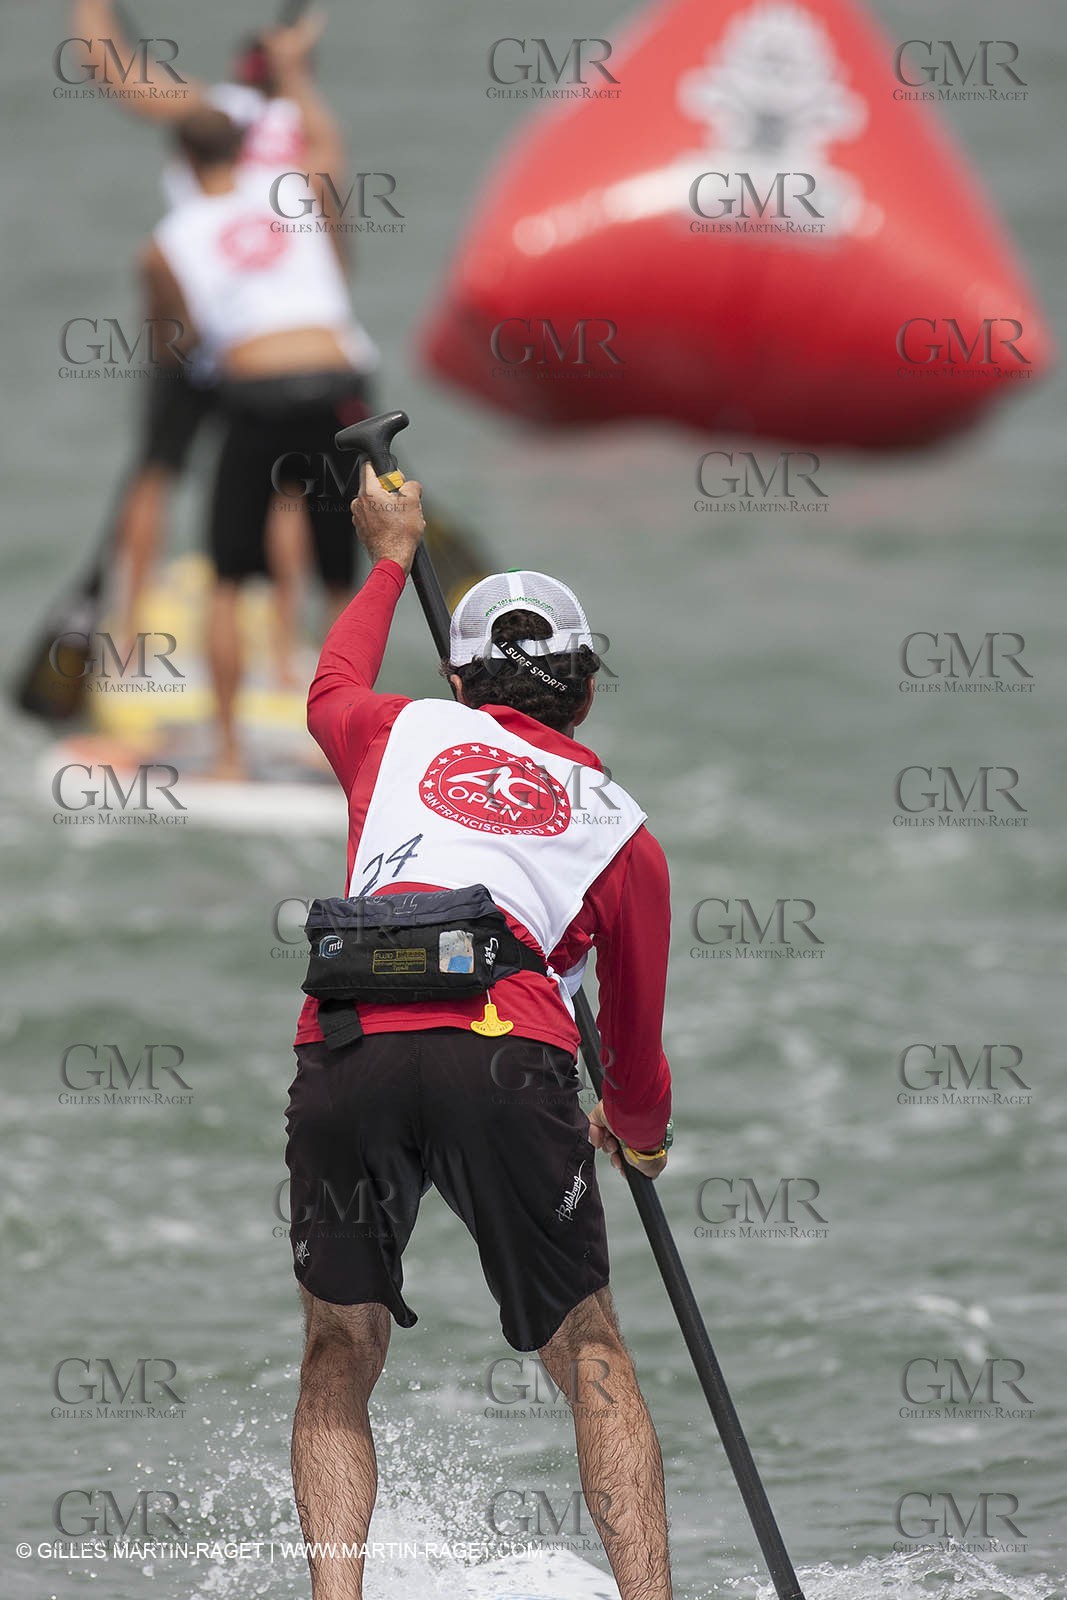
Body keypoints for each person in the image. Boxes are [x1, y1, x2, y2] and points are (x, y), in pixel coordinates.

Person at [286, 465, 675, 1600]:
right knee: (589, 1349)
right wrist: (637, 1136)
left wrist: (391, 554)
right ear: (585, 695)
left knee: (337, 1351)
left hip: (344, 1041)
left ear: (458, 681)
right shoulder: (620, 831)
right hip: (504, 1055)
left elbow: (330, 676)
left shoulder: (392, 730)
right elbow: (637, 1053)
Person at [71, 1, 338, 660]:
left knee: (156, 469)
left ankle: (129, 631)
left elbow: (113, 69)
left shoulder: (212, 112)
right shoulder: (305, 125)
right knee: (292, 484)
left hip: (203, 319)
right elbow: (335, 221)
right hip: (296, 332)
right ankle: (285, 645)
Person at [143, 100, 378, 776]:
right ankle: (344, 752)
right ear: (247, 149)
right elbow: (330, 149)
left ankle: (226, 755)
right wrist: (298, 74)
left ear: (182, 162)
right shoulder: (296, 190)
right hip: (339, 381)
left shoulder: (167, 240)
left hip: (256, 396)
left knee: (227, 580)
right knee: (342, 581)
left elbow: (177, 344)